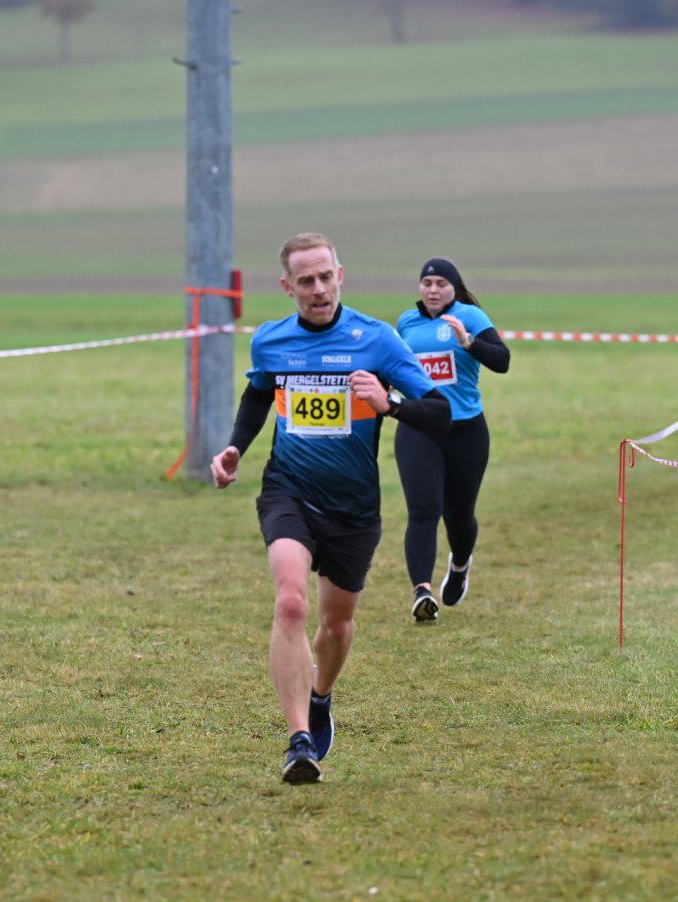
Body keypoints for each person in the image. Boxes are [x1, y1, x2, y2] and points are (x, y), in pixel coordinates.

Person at [210, 233, 450, 784]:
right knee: (291, 602)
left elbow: (439, 412)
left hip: (353, 507)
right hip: (288, 492)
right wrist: (234, 447)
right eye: (306, 281)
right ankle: (299, 741)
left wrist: (388, 403)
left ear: (339, 275)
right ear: (287, 286)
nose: (318, 289)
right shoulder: (271, 341)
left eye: (325, 277)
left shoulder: (378, 340)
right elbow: (258, 393)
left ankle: (320, 698)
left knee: (336, 627)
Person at [393, 258, 510, 622]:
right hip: (419, 427)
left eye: (441, 284)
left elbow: (502, 361)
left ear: (454, 288)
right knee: (423, 511)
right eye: (427, 283)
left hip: (465, 431)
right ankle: (422, 592)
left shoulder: (469, 316)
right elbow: (393, 366)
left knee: (459, 517)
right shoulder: (406, 323)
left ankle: (459, 565)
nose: (433, 290)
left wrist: (468, 342)